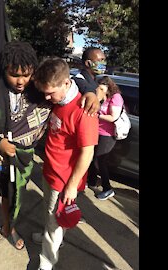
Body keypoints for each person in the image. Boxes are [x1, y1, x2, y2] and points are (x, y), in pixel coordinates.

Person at [0, 41, 100, 253]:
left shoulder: (39, 89)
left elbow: (64, 79)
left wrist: (90, 91)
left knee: (11, 193)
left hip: (19, 157)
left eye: (26, 75)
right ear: (3, 71)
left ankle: (9, 226)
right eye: (14, 75)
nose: (21, 81)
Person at [32, 58, 99, 270]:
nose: (46, 97)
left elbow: (87, 153)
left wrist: (71, 185)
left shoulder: (84, 111)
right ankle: (49, 238)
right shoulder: (58, 102)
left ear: (67, 83)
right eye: (44, 92)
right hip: (50, 172)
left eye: (51, 92)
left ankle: (46, 263)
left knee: (55, 224)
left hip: (64, 180)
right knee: (49, 215)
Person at [87, 75, 125, 200]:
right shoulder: (102, 96)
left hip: (107, 135)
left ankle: (107, 188)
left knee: (100, 161)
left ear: (108, 87)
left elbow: (113, 117)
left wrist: (97, 114)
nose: (99, 90)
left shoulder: (116, 98)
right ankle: (91, 181)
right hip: (97, 131)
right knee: (92, 157)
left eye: (101, 88)